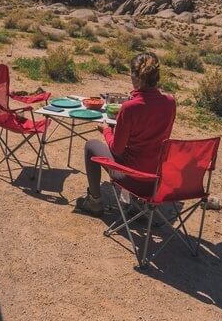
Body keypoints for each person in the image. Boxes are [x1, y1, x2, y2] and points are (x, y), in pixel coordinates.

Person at [75, 52, 176, 216]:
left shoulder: (129, 108)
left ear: (136, 77)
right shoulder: (170, 103)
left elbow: (117, 150)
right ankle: (140, 204)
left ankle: (95, 202)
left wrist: (106, 130)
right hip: (157, 179)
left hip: (132, 178)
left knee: (91, 146)